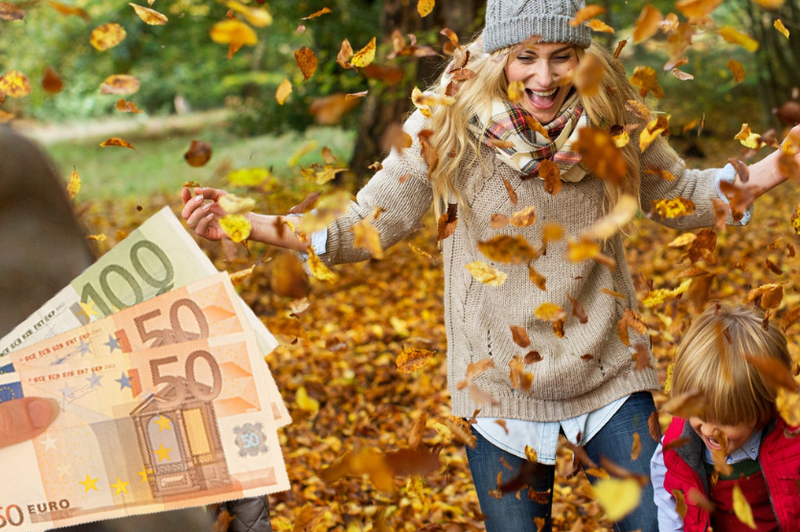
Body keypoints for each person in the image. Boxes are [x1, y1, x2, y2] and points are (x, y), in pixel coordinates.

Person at [181, 1, 800, 530]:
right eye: (525, 56)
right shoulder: (446, 117)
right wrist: (247, 223)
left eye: (562, 56)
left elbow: (683, 195)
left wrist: (783, 161)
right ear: (495, 52)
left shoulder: (613, 110)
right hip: (498, 384)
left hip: (610, 366)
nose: (544, 75)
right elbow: (363, 227)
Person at [650, 303, 799, 531]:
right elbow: (671, 510)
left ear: (762, 408)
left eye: (725, 421)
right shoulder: (677, 452)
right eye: (698, 414)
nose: (709, 431)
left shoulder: (792, 441)